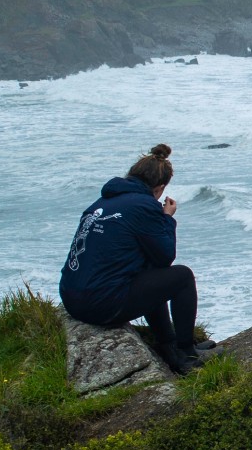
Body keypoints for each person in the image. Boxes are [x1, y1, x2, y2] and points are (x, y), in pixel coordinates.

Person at [60, 144, 208, 373]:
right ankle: (187, 353)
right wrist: (167, 218)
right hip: (100, 305)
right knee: (182, 277)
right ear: (159, 188)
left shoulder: (101, 203)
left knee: (149, 273)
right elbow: (165, 257)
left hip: (73, 297)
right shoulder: (144, 205)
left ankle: (169, 346)